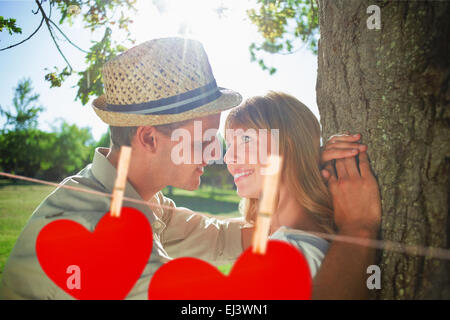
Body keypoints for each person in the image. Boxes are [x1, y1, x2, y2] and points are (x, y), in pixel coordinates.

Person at [0, 37, 378, 300]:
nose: (216, 156)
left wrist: (303, 166)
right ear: (149, 139)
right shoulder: (97, 227)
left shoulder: (140, 202)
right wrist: (358, 229)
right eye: (202, 142)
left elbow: (218, 237)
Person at [224, 91, 381, 298]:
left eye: (246, 139)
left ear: (289, 144)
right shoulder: (298, 243)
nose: (228, 157)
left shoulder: (288, 252)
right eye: (229, 144)